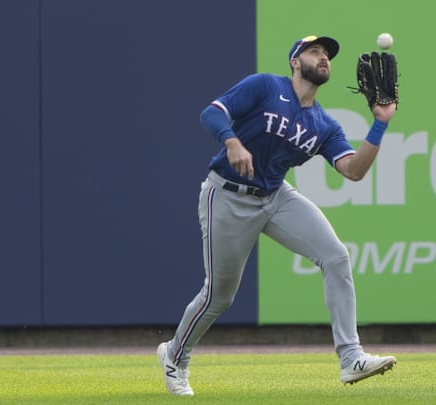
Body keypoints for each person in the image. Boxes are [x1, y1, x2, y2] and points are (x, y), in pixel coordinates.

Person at [157, 35, 398, 396]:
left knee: (336, 256)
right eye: (314, 52)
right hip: (227, 194)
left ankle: (351, 358)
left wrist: (380, 123)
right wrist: (231, 140)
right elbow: (212, 112)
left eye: (327, 55)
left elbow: (354, 170)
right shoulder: (266, 86)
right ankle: (175, 356)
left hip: (275, 195)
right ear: (294, 62)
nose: (324, 58)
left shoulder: (323, 124)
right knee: (219, 296)